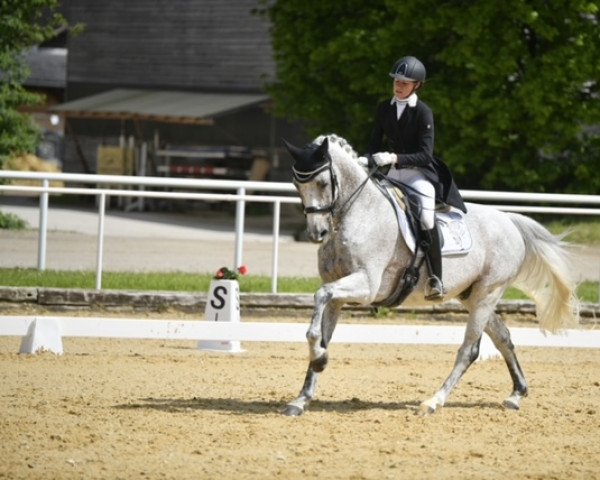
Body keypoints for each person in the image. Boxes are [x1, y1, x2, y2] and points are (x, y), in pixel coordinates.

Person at [365, 55, 466, 300]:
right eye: (396, 81)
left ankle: (435, 279)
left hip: (417, 175)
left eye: (404, 82)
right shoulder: (384, 108)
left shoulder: (423, 113)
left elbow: (424, 155)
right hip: (391, 174)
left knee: (425, 217)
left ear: (416, 85)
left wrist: (393, 158)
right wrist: (364, 159)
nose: (398, 86)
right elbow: (373, 143)